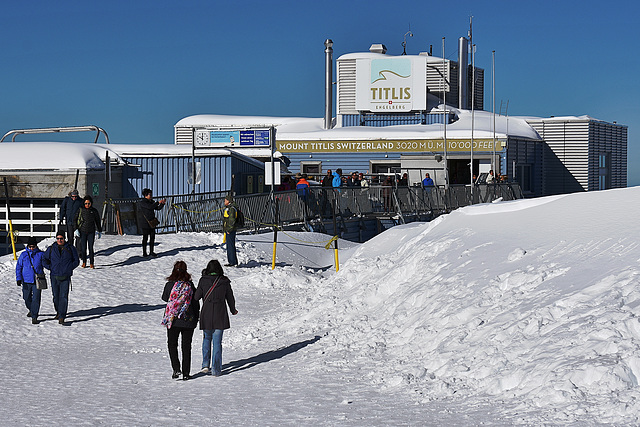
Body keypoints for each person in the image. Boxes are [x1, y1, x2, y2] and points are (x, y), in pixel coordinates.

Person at [194, 259, 237, 377]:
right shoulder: (224, 281)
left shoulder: (203, 280)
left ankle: (205, 365)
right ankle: (216, 370)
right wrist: (233, 310)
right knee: (217, 342)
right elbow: (230, 298)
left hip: (206, 315)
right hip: (220, 315)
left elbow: (196, 297)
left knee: (206, 339)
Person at [161, 260, 199, 381]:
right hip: (188, 320)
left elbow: (164, 298)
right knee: (186, 346)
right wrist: (196, 317)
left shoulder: (169, 285)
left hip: (173, 320)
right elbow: (195, 302)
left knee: (172, 344)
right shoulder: (190, 285)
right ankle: (186, 373)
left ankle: (176, 369)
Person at [42, 230, 80, 324]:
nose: (59, 240)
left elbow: (76, 260)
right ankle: (58, 312)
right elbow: (44, 259)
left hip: (65, 276)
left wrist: (69, 268)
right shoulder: (51, 249)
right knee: (56, 296)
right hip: (54, 276)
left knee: (63, 296)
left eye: (61, 238)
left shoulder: (70, 248)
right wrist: (50, 267)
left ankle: (62, 316)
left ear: (64, 238)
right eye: (58, 238)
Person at [16, 236, 45, 324]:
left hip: (37, 280)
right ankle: (31, 309)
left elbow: (46, 263)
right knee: (26, 297)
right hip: (26, 280)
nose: (32, 248)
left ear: (36, 246)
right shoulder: (23, 255)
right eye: (30, 247)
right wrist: (18, 278)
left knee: (36, 298)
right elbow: (18, 267)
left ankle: (34, 316)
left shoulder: (40, 254)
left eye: (33, 247)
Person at [74, 195, 102, 268]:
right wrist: (76, 229)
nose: (87, 205)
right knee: (83, 248)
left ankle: (92, 263)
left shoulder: (94, 211)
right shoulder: (81, 210)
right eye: (86, 203)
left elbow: (97, 221)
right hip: (82, 231)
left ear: (91, 203)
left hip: (91, 232)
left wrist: (99, 231)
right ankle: (84, 262)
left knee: (90, 248)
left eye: (89, 203)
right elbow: (75, 220)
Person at [137, 188, 166, 257]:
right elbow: (150, 207)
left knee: (152, 237)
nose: (151, 195)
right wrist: (157, 203)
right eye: (150, 194)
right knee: (145, 238)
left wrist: (162, 204)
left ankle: (151, 251)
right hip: (145, 223)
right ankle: (144, 253)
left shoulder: (151, 201)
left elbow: (157, 208)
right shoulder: (143, 202)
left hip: (152, 222)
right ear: (145, 195)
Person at [222, 194, 239, 267]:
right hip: (230, 229)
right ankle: (232, 261)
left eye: (225, 200)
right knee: (230, 246)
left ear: (228, 201)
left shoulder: (231, 209)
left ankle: (232, 262)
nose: (224, 201)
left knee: (230, 246)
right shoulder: (230, 208)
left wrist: (229, 229)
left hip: (230, 230)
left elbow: (232, 220)